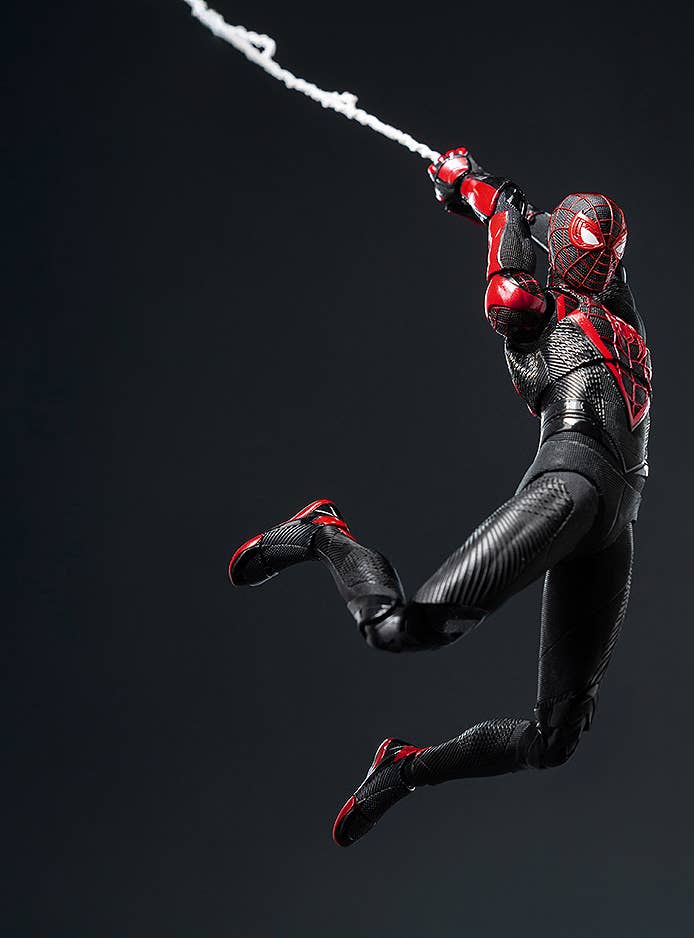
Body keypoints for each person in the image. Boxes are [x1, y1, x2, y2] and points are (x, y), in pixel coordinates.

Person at [228, 148, 652, 847]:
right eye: (591, 254)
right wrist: (495, 207)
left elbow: (586, 243)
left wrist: (483, 191)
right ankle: (323, 534)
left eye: (607, 256)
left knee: (554, 739)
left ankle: (404, 768)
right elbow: (507, 291)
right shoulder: (537, 313)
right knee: (397, 628)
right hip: (570, 485)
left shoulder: (615, 306)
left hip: (613, 524)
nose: (602, 265)